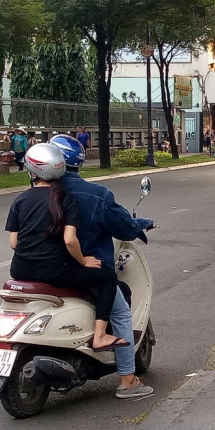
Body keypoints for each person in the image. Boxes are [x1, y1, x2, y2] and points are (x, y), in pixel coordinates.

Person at [49, 134, 154, 399]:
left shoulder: (40, 194)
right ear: (79, 162)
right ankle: (128, 380)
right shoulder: (96, 195)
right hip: (86, 271)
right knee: (120, 312)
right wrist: (142, 223)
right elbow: (124, 227)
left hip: (44, 269)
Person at [6, 144, 128, 353]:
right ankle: (99, 335)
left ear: (32, 172)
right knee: (107, 277)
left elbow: (14, 243)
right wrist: (83, 261)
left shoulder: (21, 199)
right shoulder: (66, 200)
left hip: (19, 270)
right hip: (54, 271)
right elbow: (70, 240)